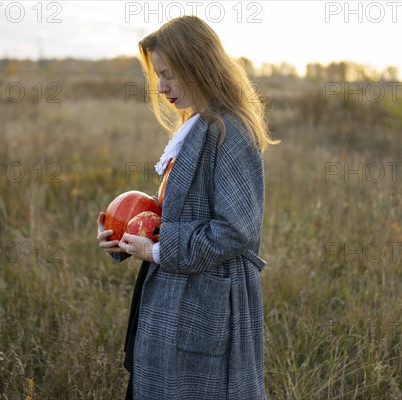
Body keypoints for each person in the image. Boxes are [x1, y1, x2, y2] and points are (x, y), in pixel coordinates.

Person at [96, 15, 277, 399]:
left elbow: (235, 231)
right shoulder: (197, 124)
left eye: (169, 74)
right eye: (158, 75)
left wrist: (159, 248)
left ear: (200, 65)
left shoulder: (230, 132)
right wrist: (126, 234)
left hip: (206, 309)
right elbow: (180, 214)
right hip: (174, 301)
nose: (161, 87)